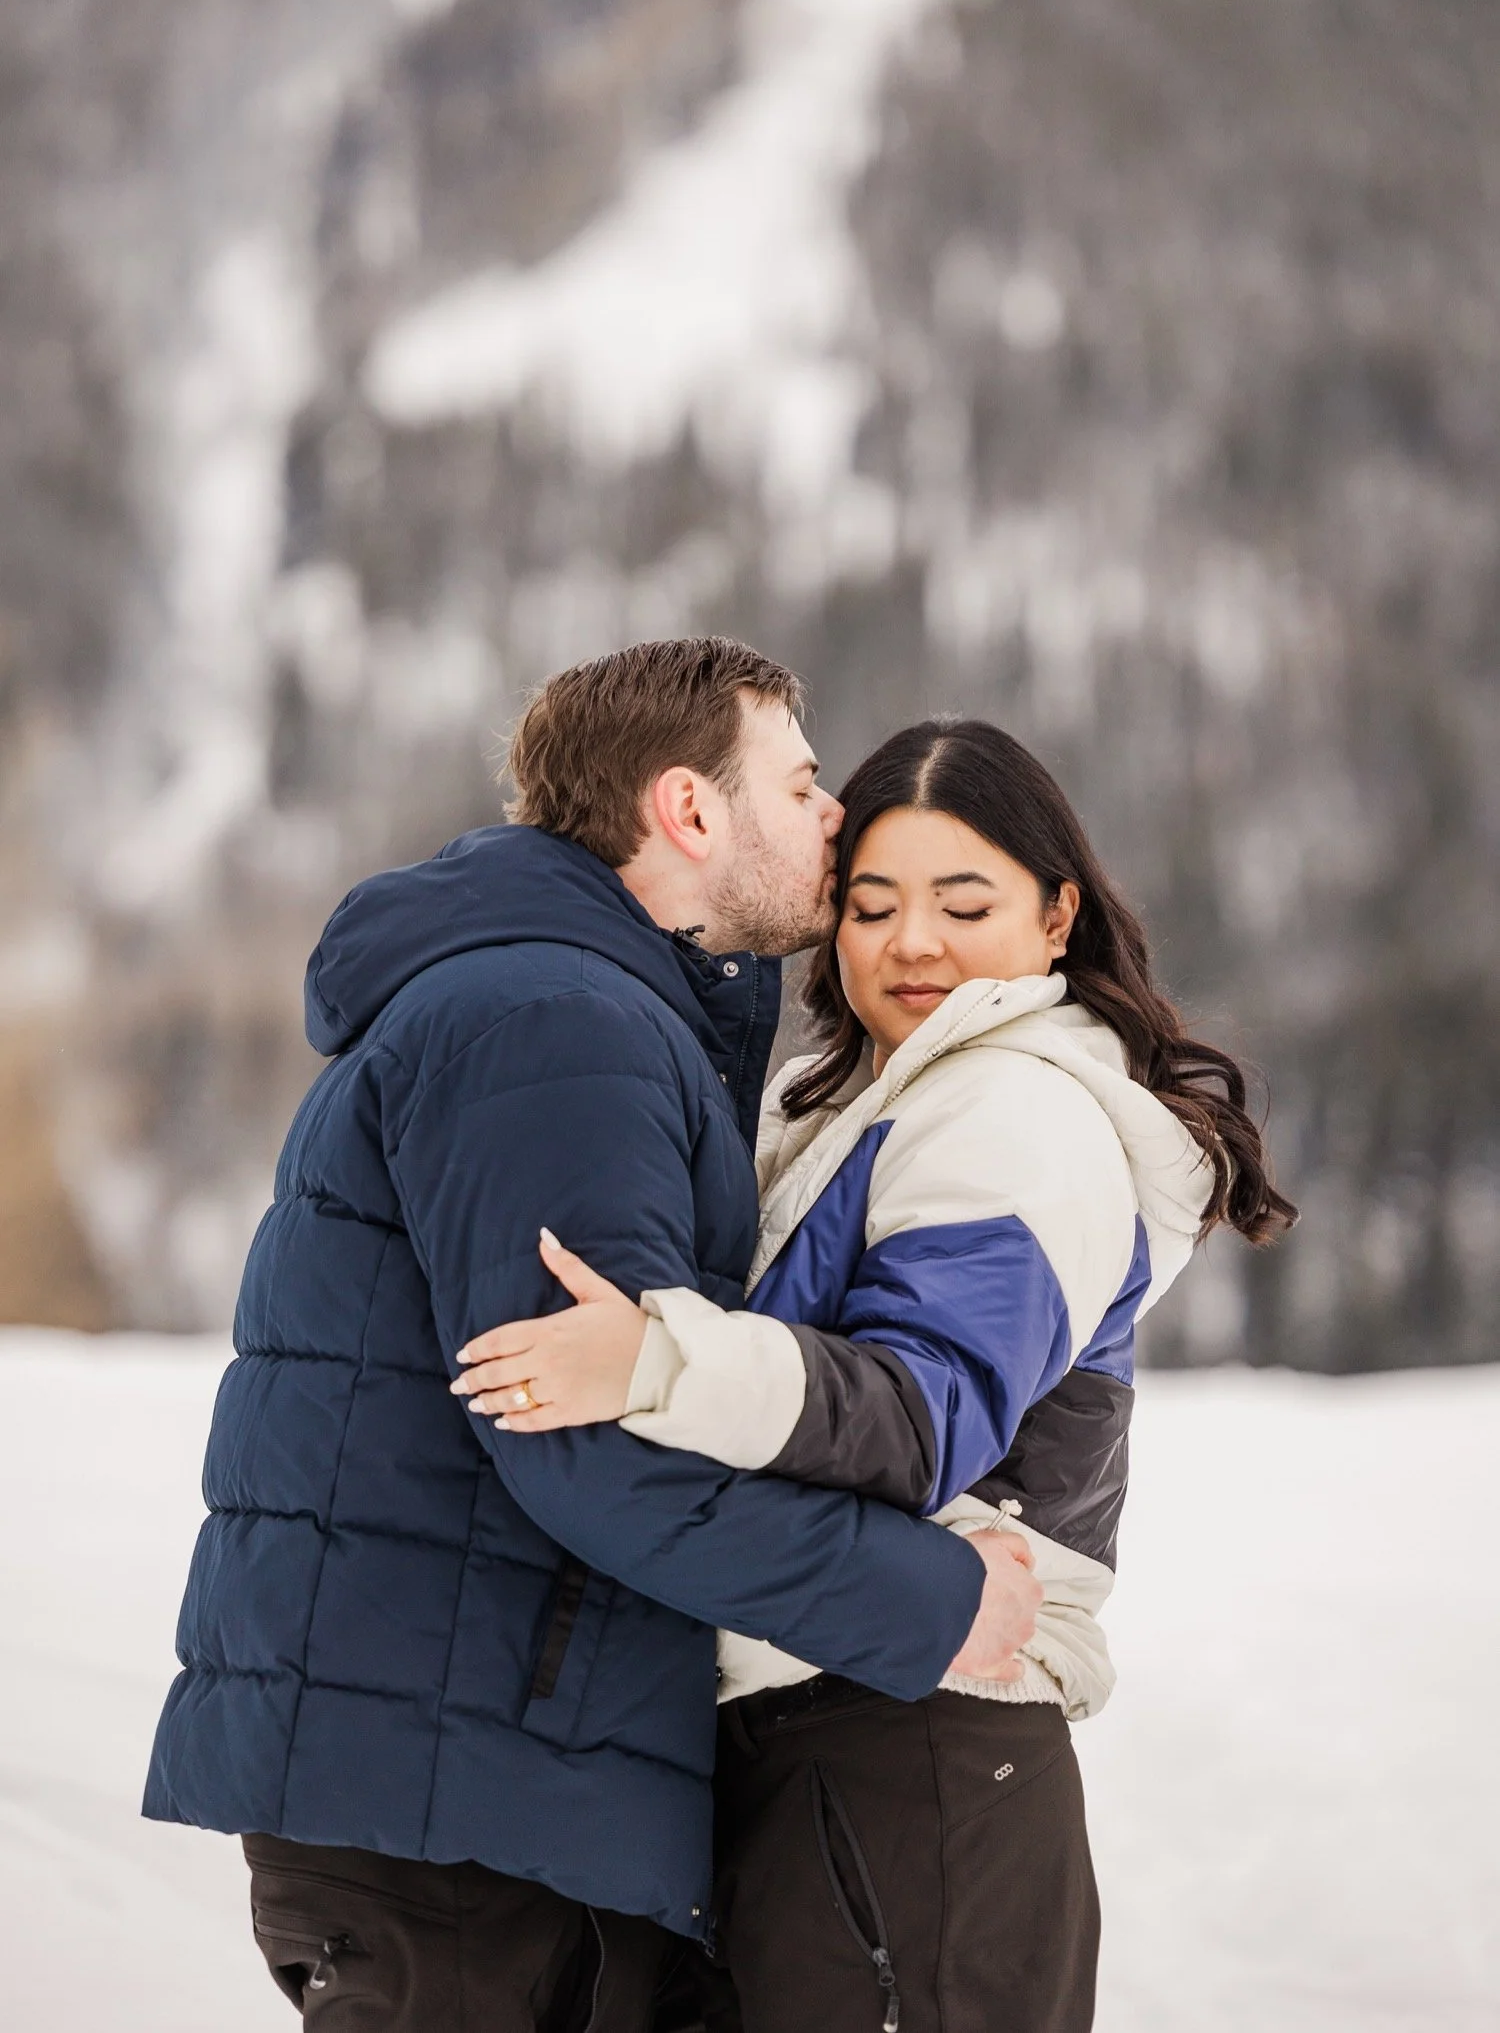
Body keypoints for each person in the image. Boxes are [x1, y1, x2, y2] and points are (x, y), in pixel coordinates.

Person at [142, 643, 1044, 2033]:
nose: (834, 819)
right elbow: (594, 1446)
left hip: (480, 1782)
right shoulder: (554, 1022)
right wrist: (928, 1599)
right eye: (801, 784)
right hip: (459, 1815)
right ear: (688, 810)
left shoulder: (581, 1007)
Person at [452, 717, 1298, 2033]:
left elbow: (916, 1413)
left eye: (966, 902)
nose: (912, 941)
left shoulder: (1019, 1111)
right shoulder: (862, 1105)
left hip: (919, 1744)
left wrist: (654, 1360)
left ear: (1058, 913)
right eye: (872, 903)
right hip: (838, 1732)